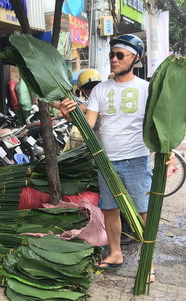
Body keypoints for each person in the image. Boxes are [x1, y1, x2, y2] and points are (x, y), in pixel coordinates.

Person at [59, 34, 157, 281]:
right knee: (110, 210)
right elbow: (89, 124)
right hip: (106, 161)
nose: (113, 59)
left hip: (136, 159)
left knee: (143, 213)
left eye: (120, 55)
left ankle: (149, 262)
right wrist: (69, 115)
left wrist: (168, 154)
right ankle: (115, 254)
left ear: (135, 58)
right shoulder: (100, 89)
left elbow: (160, 126)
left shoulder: (147, 89)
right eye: (111, 54)